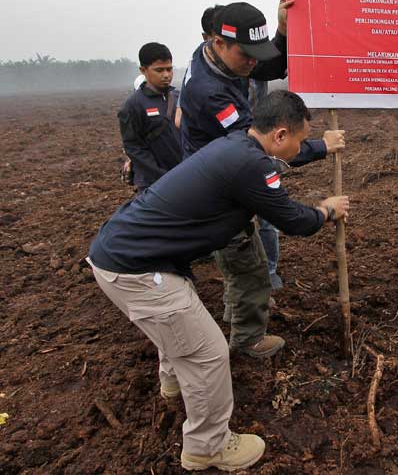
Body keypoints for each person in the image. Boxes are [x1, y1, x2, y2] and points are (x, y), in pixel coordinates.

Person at [87, 90, 349, 471]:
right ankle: (206, 448)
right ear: (279, 135)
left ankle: (173, 384)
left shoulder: (237, 144)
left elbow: (280, 166)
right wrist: (326, 210)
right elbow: (294, 220)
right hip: (137, 270)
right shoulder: (253, 166)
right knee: (208, 352)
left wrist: (317, 149)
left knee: (178, 326)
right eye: (297, 138)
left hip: (121, 253)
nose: (298, 146)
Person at [179, 0, 345, 359]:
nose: (253, 63)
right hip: (219, 190)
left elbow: (269, 64)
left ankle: (235, 315)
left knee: (242, 260)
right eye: (247, 54)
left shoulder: (210, 55)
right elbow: (262, 147)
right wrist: (319, 149)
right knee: (249, 266)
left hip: (218, 175)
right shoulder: (212, 94)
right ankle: (247, 341)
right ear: (219, 43)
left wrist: (283, 29)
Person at [117, 43, 182, 192]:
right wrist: (161, 176)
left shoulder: (180, 97)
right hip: (153, 184)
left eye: (169, 69)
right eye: (159, 70)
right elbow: (133, 148)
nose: (166, 75)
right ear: (143, 70)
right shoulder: (132, 106)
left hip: (184, 176)